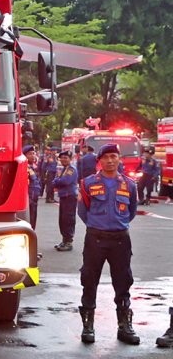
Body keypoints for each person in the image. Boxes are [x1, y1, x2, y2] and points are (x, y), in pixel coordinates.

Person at [77, 143, 139, 345]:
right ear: (99, 161)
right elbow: (83, 210)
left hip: (120, 239)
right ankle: (88, 325)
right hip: (95, 238)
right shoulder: (87, 183)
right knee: (89, 279)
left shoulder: (129, 184)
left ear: (119, 158)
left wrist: (116, 226)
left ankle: (124, 326)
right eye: (106, 157)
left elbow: (131, 211)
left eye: (114, 156)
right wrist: (98, 226)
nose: (110, 160)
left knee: (123, 281)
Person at [52, 151, 78, 251]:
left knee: (68, 219)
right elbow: (55, 181)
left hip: (70, 197)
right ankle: (64, 240)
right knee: (62, 220)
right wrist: (57, 181)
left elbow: (65, 181)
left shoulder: (71, 169)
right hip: (64, 196)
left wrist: (57, 181)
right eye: (61, 158)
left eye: (66, 158)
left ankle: (68, 242)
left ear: (70, 159)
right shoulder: (63, 169)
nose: (63, 159)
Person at [24, 145, 41, 229]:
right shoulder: (24, 168)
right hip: (29, 198)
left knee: (33, 218)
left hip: (34, 197)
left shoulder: (33, 167)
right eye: (30, 154)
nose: (33, 156)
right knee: (30, 219)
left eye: (33, 153)